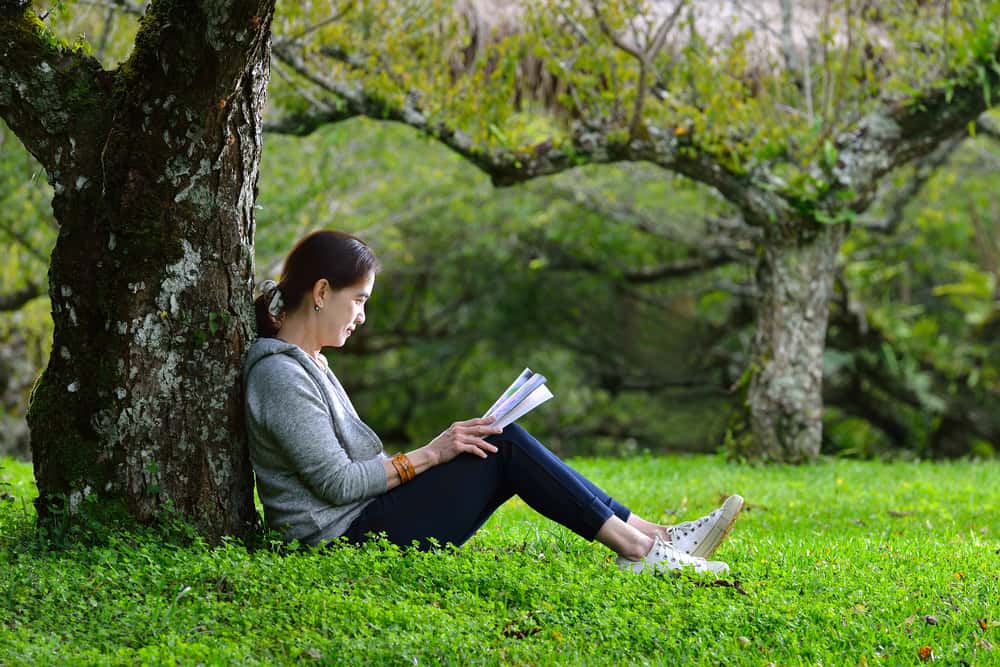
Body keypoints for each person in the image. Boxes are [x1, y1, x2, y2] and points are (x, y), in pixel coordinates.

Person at [242, 230, 743, 574]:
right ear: (322, 292)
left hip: (362, 520)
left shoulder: (309, 362)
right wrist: (432, 453)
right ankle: (640, 548)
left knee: (498, 437)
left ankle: (657, 535)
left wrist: (440, 453)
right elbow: (337, 483)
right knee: (505, 446)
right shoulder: (279, 375)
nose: (362, 317)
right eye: (359, 300)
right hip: (338, 543)